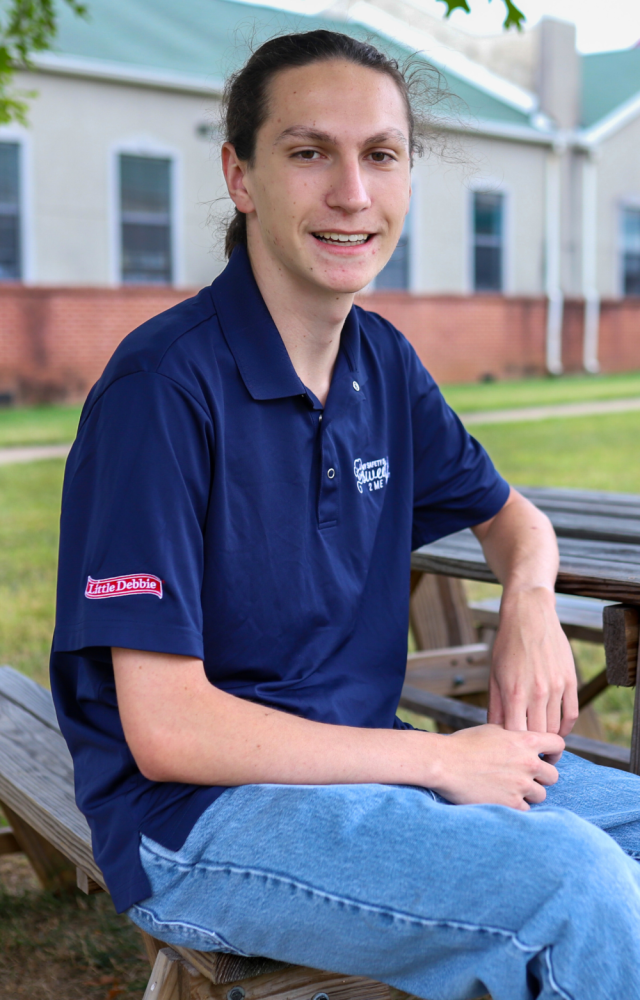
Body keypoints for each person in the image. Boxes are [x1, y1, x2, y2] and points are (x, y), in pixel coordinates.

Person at [51, 30, 640, 1000]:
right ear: (241, 175)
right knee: (569, 887)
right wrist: (440, 757)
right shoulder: (161, 389)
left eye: (380, 154)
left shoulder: (382, 365)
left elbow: (513, 519)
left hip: (368, 769)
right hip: (199, 819)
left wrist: (530, 598)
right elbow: (167, 728)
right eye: (308, 151)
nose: (351, 193)